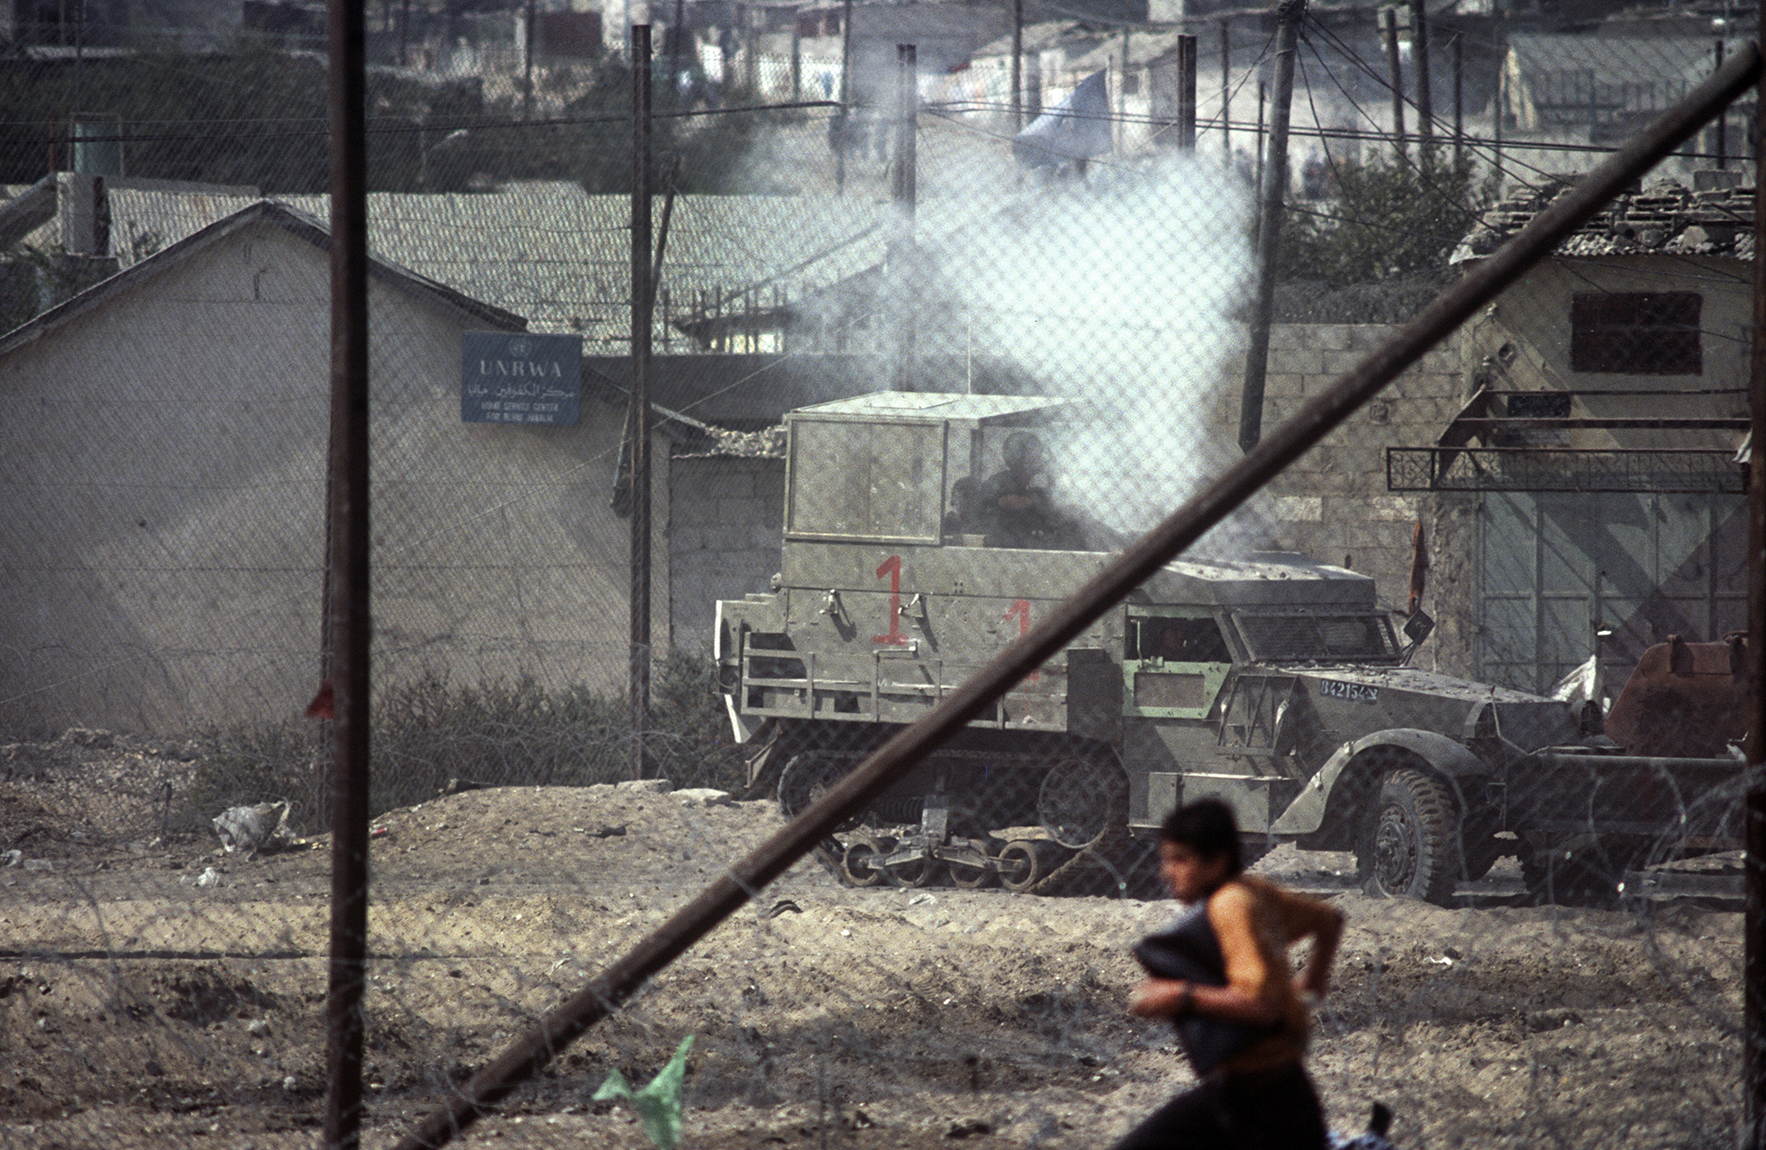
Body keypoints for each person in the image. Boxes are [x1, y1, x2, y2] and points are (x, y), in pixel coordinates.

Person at [1112, 798, 1344, 1150]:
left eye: (1179, 859)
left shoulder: (1230, 905)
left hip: (1268, 1103)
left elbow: (1260, 1007)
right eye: (1165, 859)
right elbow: (1328, 920)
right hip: (1251, 1090)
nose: (1166, 871)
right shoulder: (1253, 891)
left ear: (1216, 862)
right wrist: (1311, 986)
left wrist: (1178, 995)